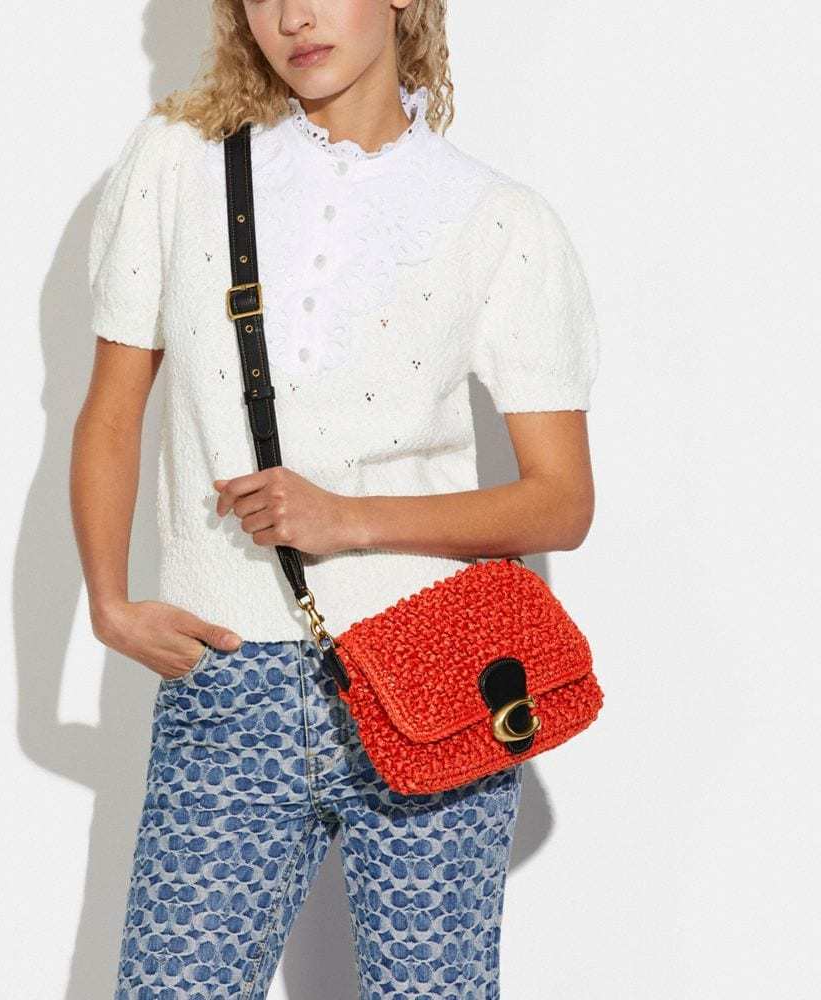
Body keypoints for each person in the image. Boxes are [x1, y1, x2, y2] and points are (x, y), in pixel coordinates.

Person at [70, 2, 599, 997]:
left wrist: (347, 517)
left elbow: (561, 502)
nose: (293, 17)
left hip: (431, 671)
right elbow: (110, 409)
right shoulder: (180, 160)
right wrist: (109, 602)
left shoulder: (497, 219)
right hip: (226, 679)